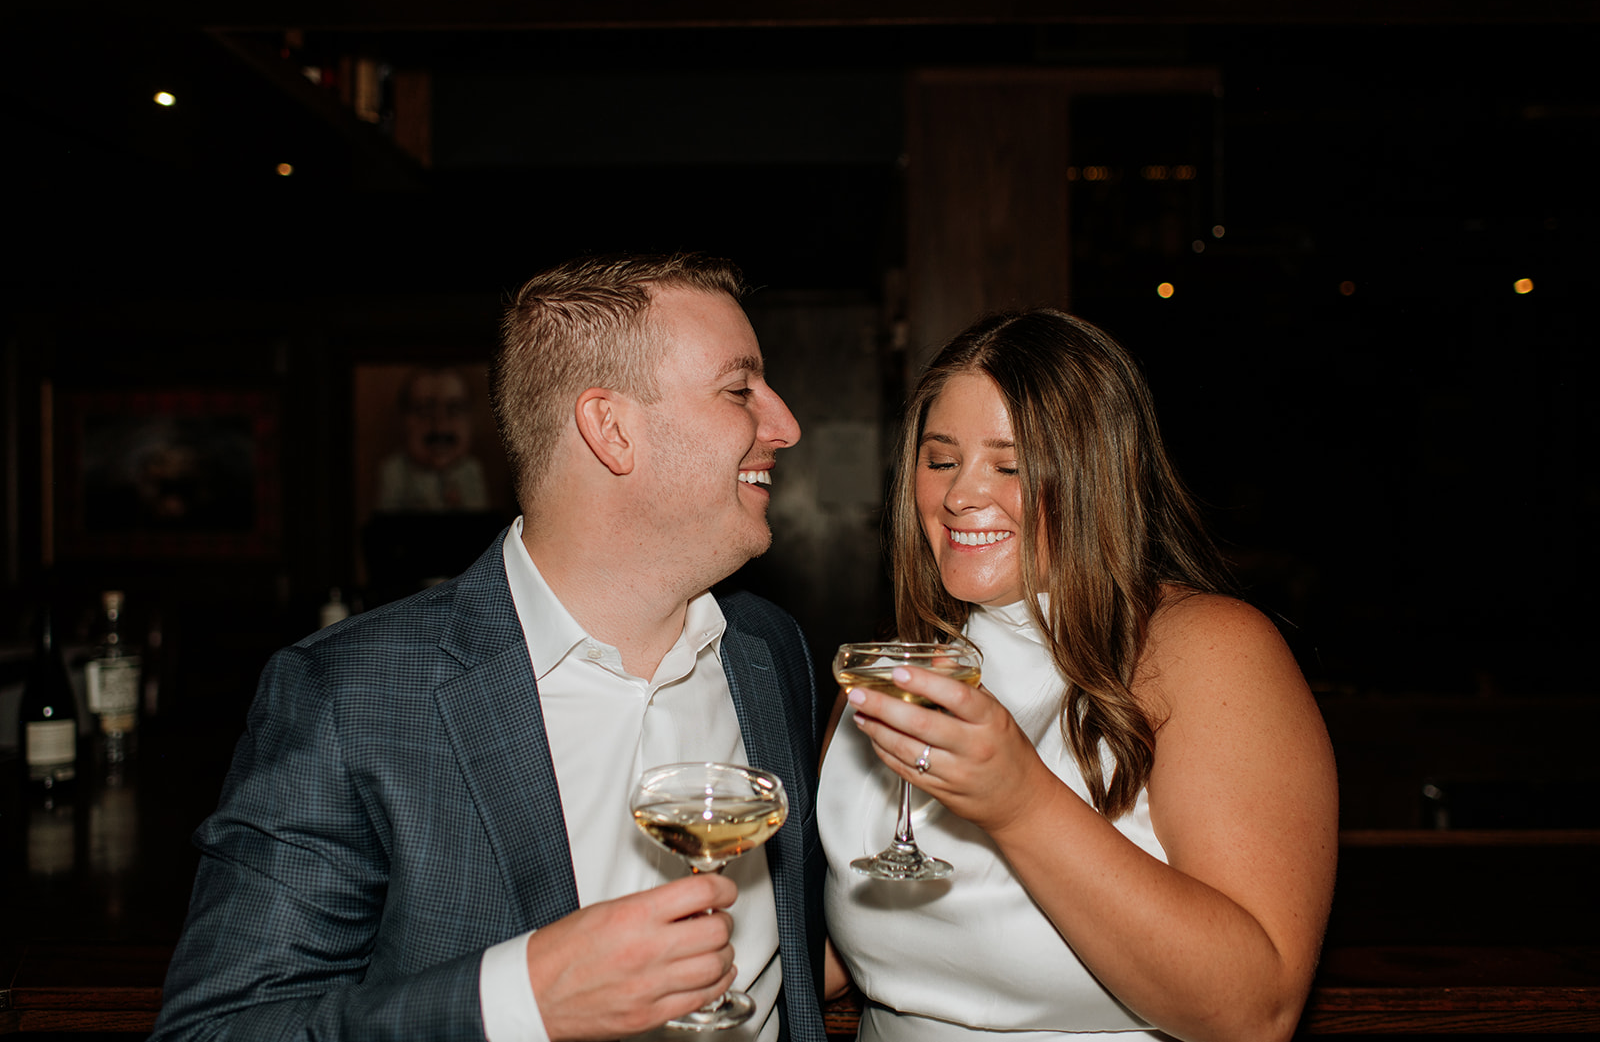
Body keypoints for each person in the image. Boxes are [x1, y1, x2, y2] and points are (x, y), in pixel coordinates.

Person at [152, 254, 828, 1042]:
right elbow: (217, 1029)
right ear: (610, 428)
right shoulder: (350, 698)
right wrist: (526, 998)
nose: (784, 424)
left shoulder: (768, 650)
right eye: (741, 389)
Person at [818, 309, 1338, 1042]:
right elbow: (837, 951)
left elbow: (1255, 1011)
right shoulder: (897, 671)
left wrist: (1019, 803)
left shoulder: (1209, 650)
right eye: (942, 460)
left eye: (1012, 465)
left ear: (1095, 476)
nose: (963, 494)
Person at [376, 366, 491, 512]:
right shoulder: (394, 471)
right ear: (404, 420)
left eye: (454, 410)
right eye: (425, 411)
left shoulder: (471, 471)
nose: (440, 426)